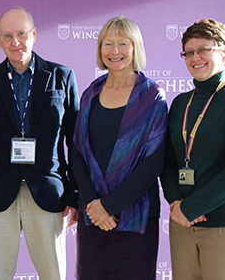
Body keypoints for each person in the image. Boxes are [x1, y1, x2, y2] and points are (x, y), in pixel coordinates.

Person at [0, 7, 79, 280]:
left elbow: (75, 143)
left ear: (34, 34)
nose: (15, 42)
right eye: (7, 36)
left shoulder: (62, 76)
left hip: (47, 191)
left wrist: (75, 194)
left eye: (21, 34)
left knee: (53, 274)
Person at [160, 18, 225, 280]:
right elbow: (168, 160)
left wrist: (190, 208)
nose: (196, 57)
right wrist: (176, 201)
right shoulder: (181, 102)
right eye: (189, 52)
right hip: (184, 224)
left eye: (204, 49)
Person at [70, 16, 167, 279]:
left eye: (123, 43)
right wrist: (92, 203)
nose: (115, 51)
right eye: (108, 44)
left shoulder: (151, 97)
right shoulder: (91, 93)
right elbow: (78, 152)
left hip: (136, 219)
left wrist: (109, 206)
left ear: (135, 48)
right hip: (93, 217)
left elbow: (153, 164)